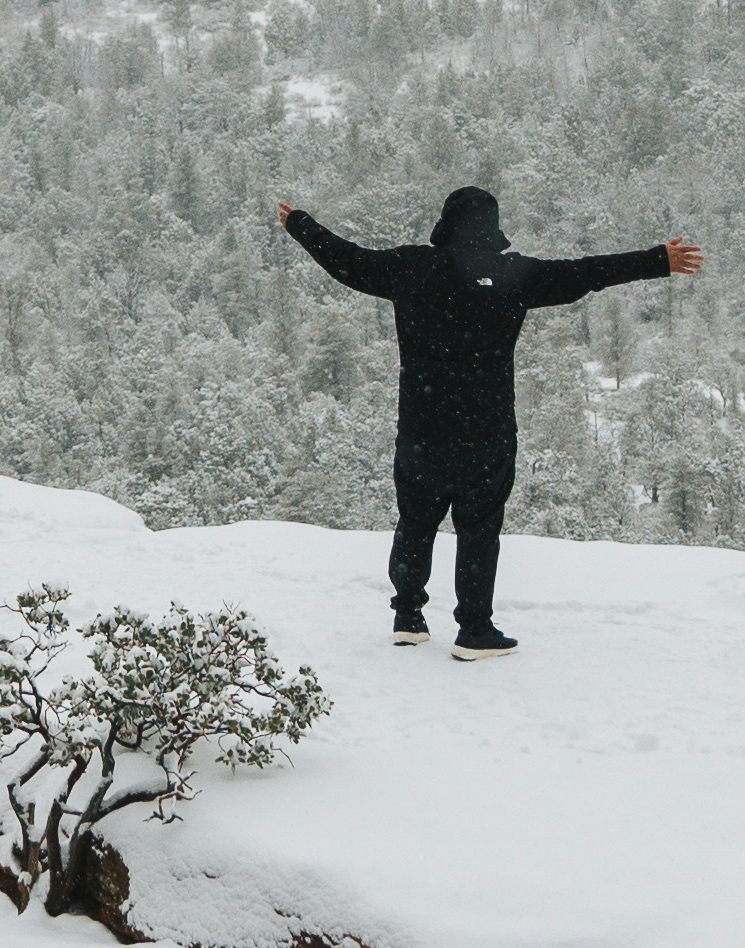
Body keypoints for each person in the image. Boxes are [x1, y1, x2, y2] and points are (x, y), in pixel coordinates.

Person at [275, 182, 701, 653]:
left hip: (422, 430)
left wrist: (300, 224)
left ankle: (409, 615)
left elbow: (346, 260)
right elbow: (587, 273)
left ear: (446, 223)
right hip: (487, 433)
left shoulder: (410, 267)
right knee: (479, 530)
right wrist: (657, 259)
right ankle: (474, 629)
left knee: (415, 520)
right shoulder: (513, 274)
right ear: (493, 228)